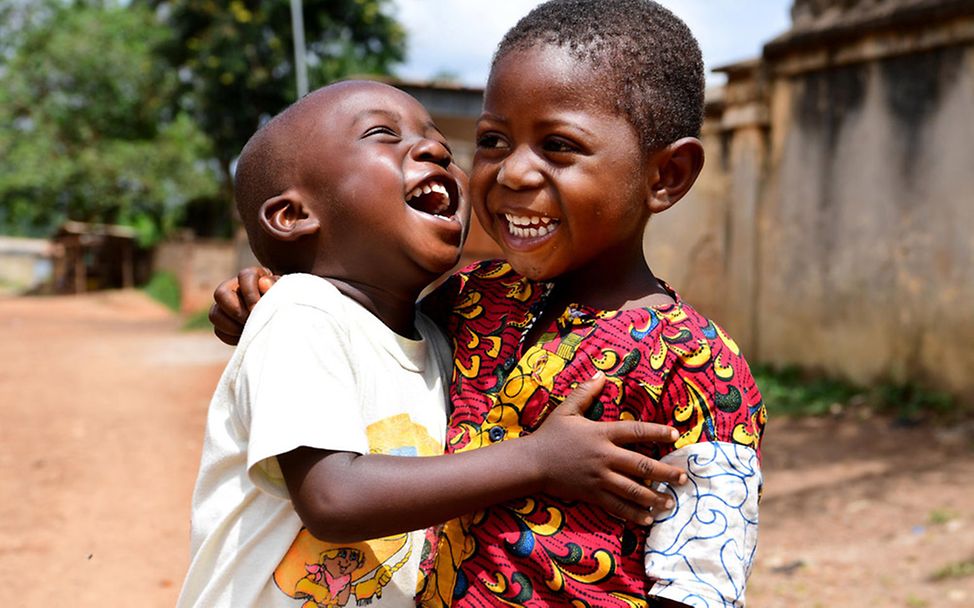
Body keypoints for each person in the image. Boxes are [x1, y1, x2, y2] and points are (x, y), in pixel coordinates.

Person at [180, 79, 689, 608]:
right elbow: (332, 498)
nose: (435, 151)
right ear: (294, 216)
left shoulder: (441, 340)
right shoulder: (301, 310)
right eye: (382, 134)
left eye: (440, 143)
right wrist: (540, 459)